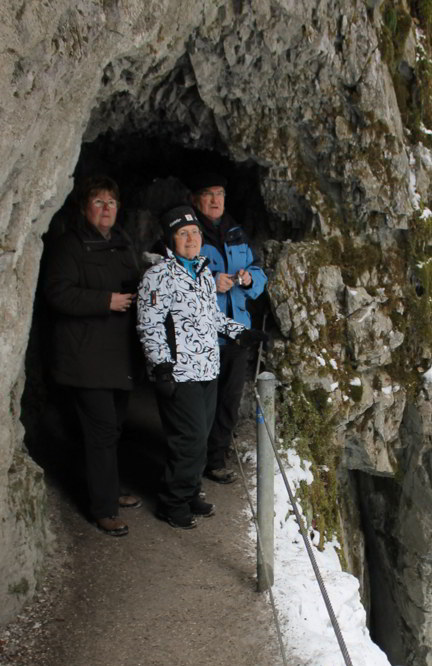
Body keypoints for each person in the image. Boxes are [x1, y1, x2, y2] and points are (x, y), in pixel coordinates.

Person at [136, 205, 266, 529]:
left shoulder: (203, 272)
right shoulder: (158, 276)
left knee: (202, 435)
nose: (191, 238)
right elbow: (149, 324)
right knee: (190, 438)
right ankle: (173, 502)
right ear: (170, 239)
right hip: (178, 371)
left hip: (207, 366)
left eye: (194, 232)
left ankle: (191, 490)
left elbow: (212, 317)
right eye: (183, 234)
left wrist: (240, 332)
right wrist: (162, 366)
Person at [43, 175, 142, 537]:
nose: (106, 209)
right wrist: (105, 301)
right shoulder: (69, 246)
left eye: (111, 203)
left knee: (113, 428)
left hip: (118, 357)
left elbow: (133, 284)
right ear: (85, 208)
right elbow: (57, 293)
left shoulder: (121, 244)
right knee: (100, 432)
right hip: (85, 357)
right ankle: (103, 509)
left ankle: (110, 489)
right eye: (98, 203)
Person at [188, 172, 268, 484]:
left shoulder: (236, 233)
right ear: (196, 200)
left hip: (237, 334)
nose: (215, 200)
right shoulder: (188, 233)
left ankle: (216, 459)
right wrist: (211, 282)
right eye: (208, 194)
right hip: (203, 335)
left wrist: (249, 280)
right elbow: (173, 273)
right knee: (201, 404)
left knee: (229, 402)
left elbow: (259, 274)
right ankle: (192, 463)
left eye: (219, 193)